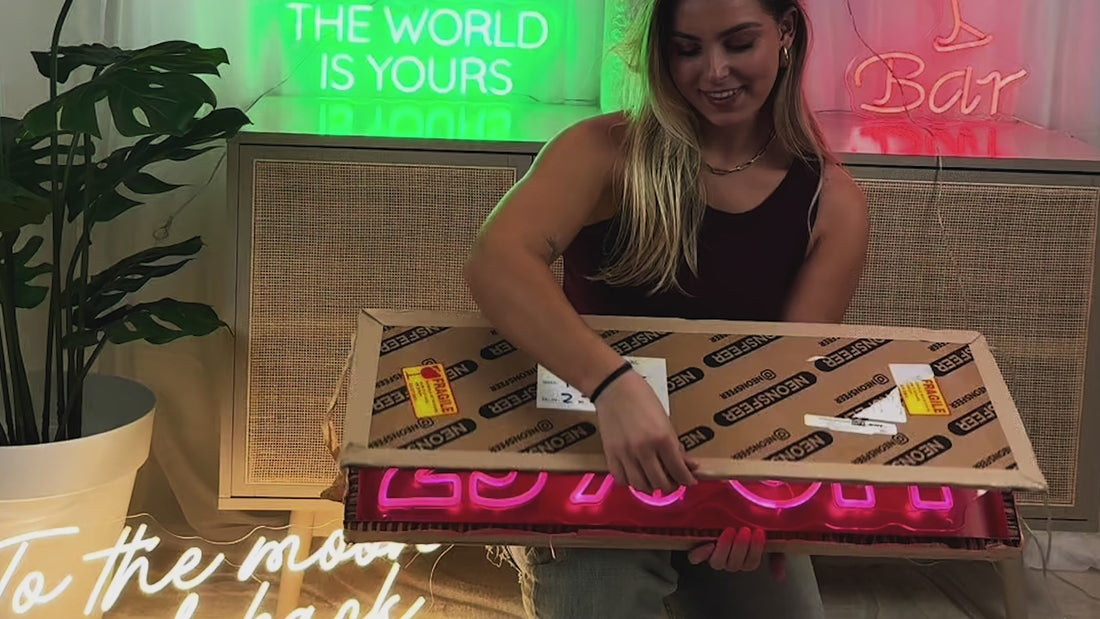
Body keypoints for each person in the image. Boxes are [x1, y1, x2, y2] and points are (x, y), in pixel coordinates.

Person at [464, 0, 869, 616]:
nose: (714, 71)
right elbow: (496, 260)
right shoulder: (603, 150)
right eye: (687, 50)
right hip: (588, 460)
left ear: (785, 32)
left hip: (728, 478)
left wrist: (765, 502)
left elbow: (789, 385)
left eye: (739, 44)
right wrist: (613, 387)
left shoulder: (833, 203)